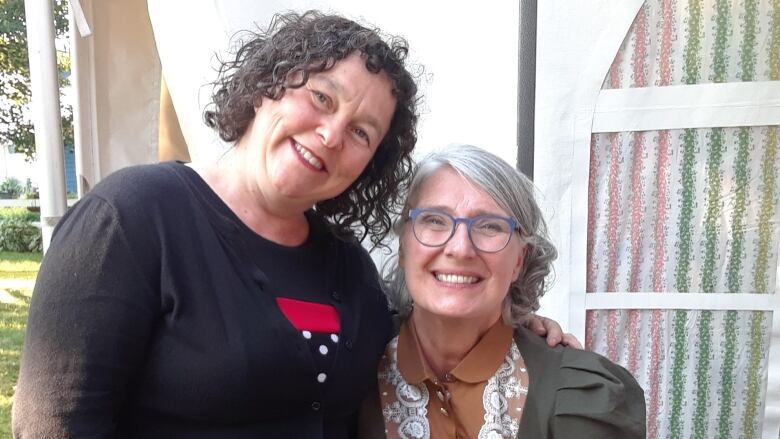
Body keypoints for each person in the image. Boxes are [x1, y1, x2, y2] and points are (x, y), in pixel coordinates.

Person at [12, 11, 569, 439]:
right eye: (321, 97)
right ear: (266, 87)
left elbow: (409, 333)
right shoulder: (134, 218)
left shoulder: (346, 266)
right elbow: (56, 422)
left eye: (361, 134)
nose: (330, 134)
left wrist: (512, 324)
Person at [359, 145, 646, 438]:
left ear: (519, 260)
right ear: (404, 246)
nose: (460, 249)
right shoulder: (348, 367)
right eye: (434, 220)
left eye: (489, 226)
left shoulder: (582, 395)